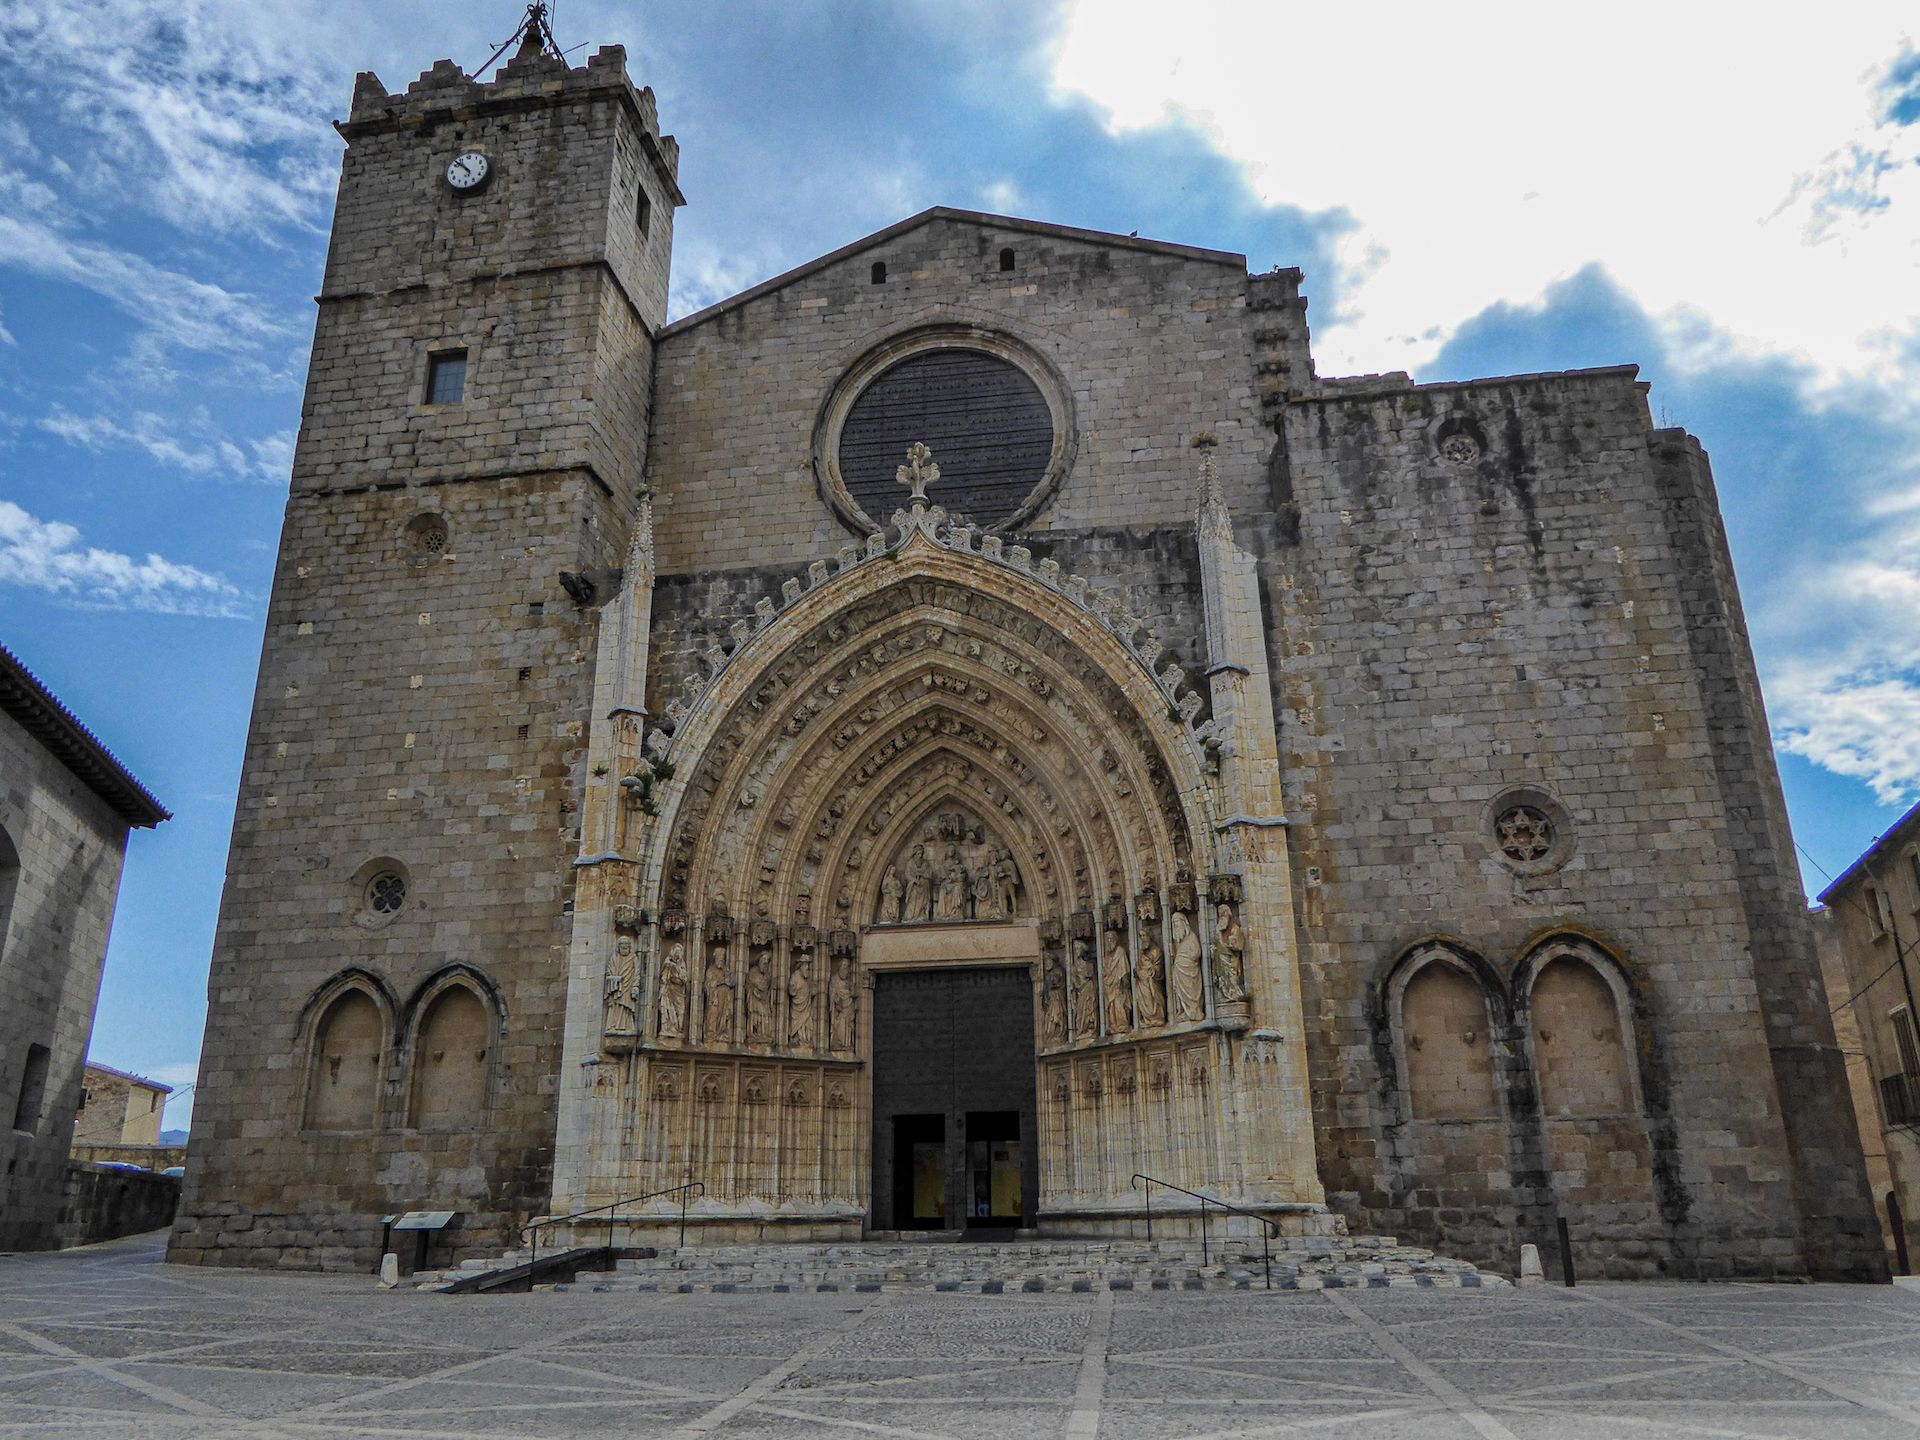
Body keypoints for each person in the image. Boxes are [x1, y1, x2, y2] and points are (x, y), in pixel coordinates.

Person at [1169, 912, 1205, 1022]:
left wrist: (1186, 958)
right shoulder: (1178, 942)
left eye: (1178, 922)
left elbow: (1197, 953)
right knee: (1180, 992)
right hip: (1179, 971)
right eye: (1174, 924)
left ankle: (1195, 1010)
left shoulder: (1191, 937)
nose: (1176, 926)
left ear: (1184, 923)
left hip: (1190, 970)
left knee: (1191, 991)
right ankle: (1185, 1010)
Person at [656, 942, 688, 1040]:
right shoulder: (667, 963)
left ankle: (677, 1029)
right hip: (668, 990)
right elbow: (663, 977)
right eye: (676, 952)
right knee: (667, 1009)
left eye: (679, 953)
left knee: (680, 1011)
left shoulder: (682, 965)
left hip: (679, 992)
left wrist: (677, 970)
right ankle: (667, 1029)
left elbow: (685, 979)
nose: (677, 955)